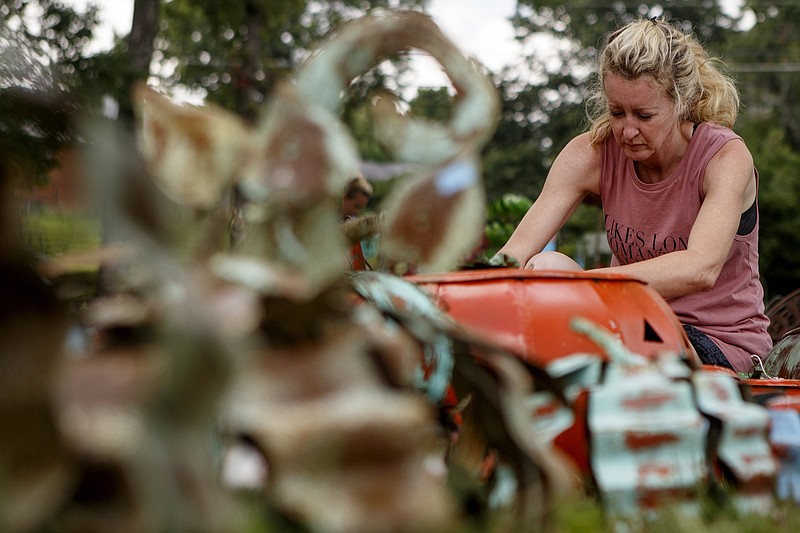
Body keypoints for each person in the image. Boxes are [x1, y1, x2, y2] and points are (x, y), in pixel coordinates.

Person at [496, 17, 771, 373]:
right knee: (545, 268)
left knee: (619, 342)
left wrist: (584, 288)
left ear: (681, 101)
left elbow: (700, 268)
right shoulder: (590, 154)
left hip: (715, 340)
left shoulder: (724, 158)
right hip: (627, 323)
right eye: (616, 112)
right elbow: (512, 257)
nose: (627, 130)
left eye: (644, 115)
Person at [340, 172, 374, 270]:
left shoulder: (351, 220)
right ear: (344, 196)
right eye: (356, 206)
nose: (357, 211)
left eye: (361, 208)